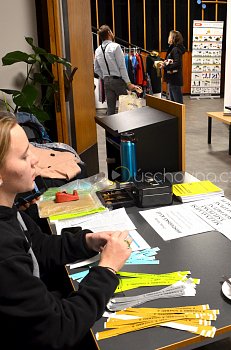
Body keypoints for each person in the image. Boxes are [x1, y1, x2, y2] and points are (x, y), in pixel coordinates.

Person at [0, 112, 132, 349]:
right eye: (23, 156)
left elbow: (35, 246)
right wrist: (108, 269)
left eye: (30, 150)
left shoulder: (9, 211)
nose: (35, 161)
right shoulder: (3, 248)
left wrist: (87, 242)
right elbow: (57, 328)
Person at [94, 25, 140, 115]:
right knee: (127, 106)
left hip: (106, 82)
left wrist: (105, 77)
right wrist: (129, 83)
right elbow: (122, 67)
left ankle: (109, 129)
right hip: (117, 81)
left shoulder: (97, 50)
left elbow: (96, 69)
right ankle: (127, 129)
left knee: (110, 108)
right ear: (109, 33)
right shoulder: (116, 47)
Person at [161, 30, 185, 104]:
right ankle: (176, 115)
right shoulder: (173, 48)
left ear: (173, 38)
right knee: (173, 102)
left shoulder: (175, 49)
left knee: (177, 102)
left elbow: (177, 63)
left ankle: (180, 115)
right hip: (172, 78)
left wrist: (165, 66)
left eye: (169, 36)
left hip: (174, 78)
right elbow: (172, 61)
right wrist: (165, 62)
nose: (168, 38)